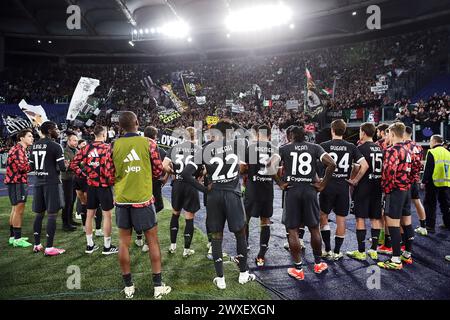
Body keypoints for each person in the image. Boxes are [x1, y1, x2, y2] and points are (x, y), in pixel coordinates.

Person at [181, 119, 256, 290]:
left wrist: (205, 190)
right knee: (240, 234)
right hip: (233, 195)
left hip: (214, 196)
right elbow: (249, 133)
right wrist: (235, 125)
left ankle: (220, 278)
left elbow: (186, 174)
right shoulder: (238, 143)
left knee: (216, 236)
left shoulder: (205, 149)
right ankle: (243, 274)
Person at [111, 111, 171, 299]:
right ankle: (157, 286)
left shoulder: (113, 145)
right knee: (152, 241)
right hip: (143, 199)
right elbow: (157, 171)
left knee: (123, 243)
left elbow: (109, 172)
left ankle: (128, 286)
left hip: (122, 200)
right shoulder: (149, 143)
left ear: (120, 126)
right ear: (137, 122)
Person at [273, 125, 336, 280]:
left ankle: (298, 269)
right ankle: (318, 264)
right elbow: (332, 164)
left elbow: (269, 166)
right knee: (314, 228)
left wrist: (281, 184)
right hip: (310, 190)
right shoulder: (315, 147)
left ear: (290, 136)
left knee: (292, 229)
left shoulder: (284, 148)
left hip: (292, 191)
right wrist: (322, 184)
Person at [319, 119, 368, 260]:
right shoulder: (351, 146)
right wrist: (355, 180)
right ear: (344, 131)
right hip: (343, 187)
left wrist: (318, 181)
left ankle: (327, 249)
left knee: (323, 216)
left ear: (332, 130)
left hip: (327, 186)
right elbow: (363, 165)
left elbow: (316, 166)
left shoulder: (324, 146)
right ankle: (337, 251)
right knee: (341, 219)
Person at [70, 125, 118, 255]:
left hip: (91, 186)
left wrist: (84, 175)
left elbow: (73, 164)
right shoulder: (108, 148)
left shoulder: (86, 148)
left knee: (89, 215)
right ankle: (107, 247)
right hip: (104, 186)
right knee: (107, 216)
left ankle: (90, 245)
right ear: (104, 134)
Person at [378, 122, 414, 270]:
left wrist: (386, 190)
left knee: (393, 225)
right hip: (406, 190)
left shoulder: (391, 150)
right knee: (407, 223)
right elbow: (415, 168)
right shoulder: (408, 149)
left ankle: (395, 259)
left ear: (392, 134)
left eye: (388, 134)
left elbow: (389, 172)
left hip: (395, 191)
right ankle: (407, 254)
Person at [346, 123, 383, 261]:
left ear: (363, 132)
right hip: (377, 186)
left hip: (363, 187)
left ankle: (361, 251)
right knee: (375, 218)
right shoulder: (380, 148)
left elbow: (357, 167)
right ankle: (374, 250)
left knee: (360, 218)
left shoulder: (360, 148)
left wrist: (353, 180)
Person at [162, 127, 201, 258]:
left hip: (178, 184)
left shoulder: (174, 148)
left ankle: (172, 245)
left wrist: (173, 172)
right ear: (194, 136)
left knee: (175, 214)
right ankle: (186, 249)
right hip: (191, 184)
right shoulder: (198, 150)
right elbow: (204, 169)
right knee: (189, 217)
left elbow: (164, 165)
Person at [242, 124, 277, 267]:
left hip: (252, 188)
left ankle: (245, 246)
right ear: (269, 135)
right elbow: (278, 172)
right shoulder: (274, 148)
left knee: (246, 218)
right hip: (267, 189)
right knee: (265, 220)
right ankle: (261, 256)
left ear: (257, 134)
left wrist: (247, 174)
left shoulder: (250, 148)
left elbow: (243, 168)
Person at [30, 121, 67, 256]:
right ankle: (49, 247)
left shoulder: (34, 145)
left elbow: (31, 167)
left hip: (38, 182)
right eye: (56, 128)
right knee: (52, 214)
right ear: (50, 130)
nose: (58, 130)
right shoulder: (56, 146)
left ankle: (37, 244)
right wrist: (66, 164)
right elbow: (62, 168)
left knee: (39, 214)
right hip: (52, 183)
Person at [135, 126, 169, 253]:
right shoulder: (158, 149)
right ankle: (147, 240)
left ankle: (139, 236)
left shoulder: (136, 147)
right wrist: (164, 178)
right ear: (155, 136)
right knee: (154, 208)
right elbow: (166, 167)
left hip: (139, 182)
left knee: (139, 208)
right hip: (153, 183)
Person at [5, 129, 34, 248]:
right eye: (29, 136)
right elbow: (23, 167)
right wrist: (34, 164)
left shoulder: (19, 149)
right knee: (19, 210)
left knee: (14, 209)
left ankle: (13, 237)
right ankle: (17, 239)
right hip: (18, 182)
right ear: (22, 138)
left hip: (15, 182)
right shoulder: (18, 150)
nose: (32, 138)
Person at [422, 134, 450, 233]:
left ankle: (430, 226)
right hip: (446, 182)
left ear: (434, 141)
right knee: (445, 204)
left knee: (430, 204)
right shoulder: (448, 152)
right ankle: (447, 223)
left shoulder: (432, 152)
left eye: (430, 141)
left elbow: (428, 169)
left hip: (433, 182)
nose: (429, 143)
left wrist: (424, 181)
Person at [403, 126, 427, 236]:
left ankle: (405, 235)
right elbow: (420, 164)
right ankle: (423, 226)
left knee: (403, 207)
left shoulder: (403, 145)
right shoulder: (419, 146)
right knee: (417, 201)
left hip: (405, 180)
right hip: (415, 178)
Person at [61, 131, 79, 232]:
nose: (76, 142)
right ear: (69, 141)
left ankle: (70, 220)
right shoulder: (65, 151)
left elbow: (77, 164)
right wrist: (77, 165)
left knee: (72, 201)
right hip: (67, 179)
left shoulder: (76, 150)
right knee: (67, 201)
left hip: (74, 178)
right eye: (74, 140)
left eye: (77, 140)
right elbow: (67, 166)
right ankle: (65, 223)